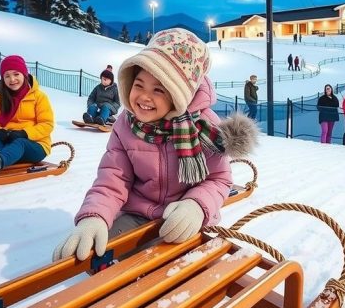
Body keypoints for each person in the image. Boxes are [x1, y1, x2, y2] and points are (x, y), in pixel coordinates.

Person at [53, 28, 257, 262]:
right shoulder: (126, 124)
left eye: (158, 89)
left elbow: (218, 179)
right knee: (94, 257)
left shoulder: (204, 127)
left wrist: (196, 206)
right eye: (139, 85)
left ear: (180, 94)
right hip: (138, 213)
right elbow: (113, 177)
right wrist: (95, 216)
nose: (144, 97)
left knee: (184, 272)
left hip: (182, 216)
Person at [0, 55, 55, 179]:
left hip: (36, 145)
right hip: (8, 139)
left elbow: (47, 124)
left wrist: (25, 133)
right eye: (7, 76)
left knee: (20, 143)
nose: (12, 79)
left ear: (24, 74)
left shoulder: (39, 97)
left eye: (16, 74)